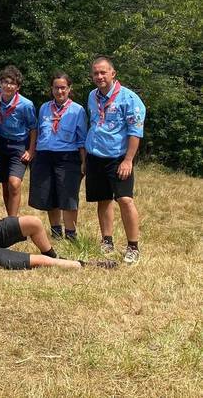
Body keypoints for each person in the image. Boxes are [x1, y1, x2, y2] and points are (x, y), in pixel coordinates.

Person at [85, 56, 146, 264]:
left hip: (118, 158)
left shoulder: (129, 99)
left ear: (113, 73)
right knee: (103, 200)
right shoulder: (92, 96)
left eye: (103, 72)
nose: (99, 76)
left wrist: (128, 160)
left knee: (125, 200)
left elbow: (135, 132)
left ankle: (133, 246)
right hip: (95, 156)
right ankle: (107, 241)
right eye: (96, 73)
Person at [29, 72, 87, 240]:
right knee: (49, 194)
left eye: (63, 88)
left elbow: (82, 139)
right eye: (56, 88)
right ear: (51, 89)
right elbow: (39, 131)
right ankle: (55, 233)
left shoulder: (78, 110)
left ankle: (71, 234)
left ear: (69, 89)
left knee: (68, 196)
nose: (59, 91)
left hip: (67, 156)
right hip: (45, 156)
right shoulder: (45, 108)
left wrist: (84, 162)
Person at [0, 66, 38, 217]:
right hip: (0, 143)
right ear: (0, 83)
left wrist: (31, 150)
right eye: (5, 82)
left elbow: (33, 128)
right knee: (4, 184)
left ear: (18, 87)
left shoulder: (26, 105)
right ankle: (10, 218)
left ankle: (13, 222)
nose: (8, 86)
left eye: (12, 83)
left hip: (18, 145)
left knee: (14, 183)